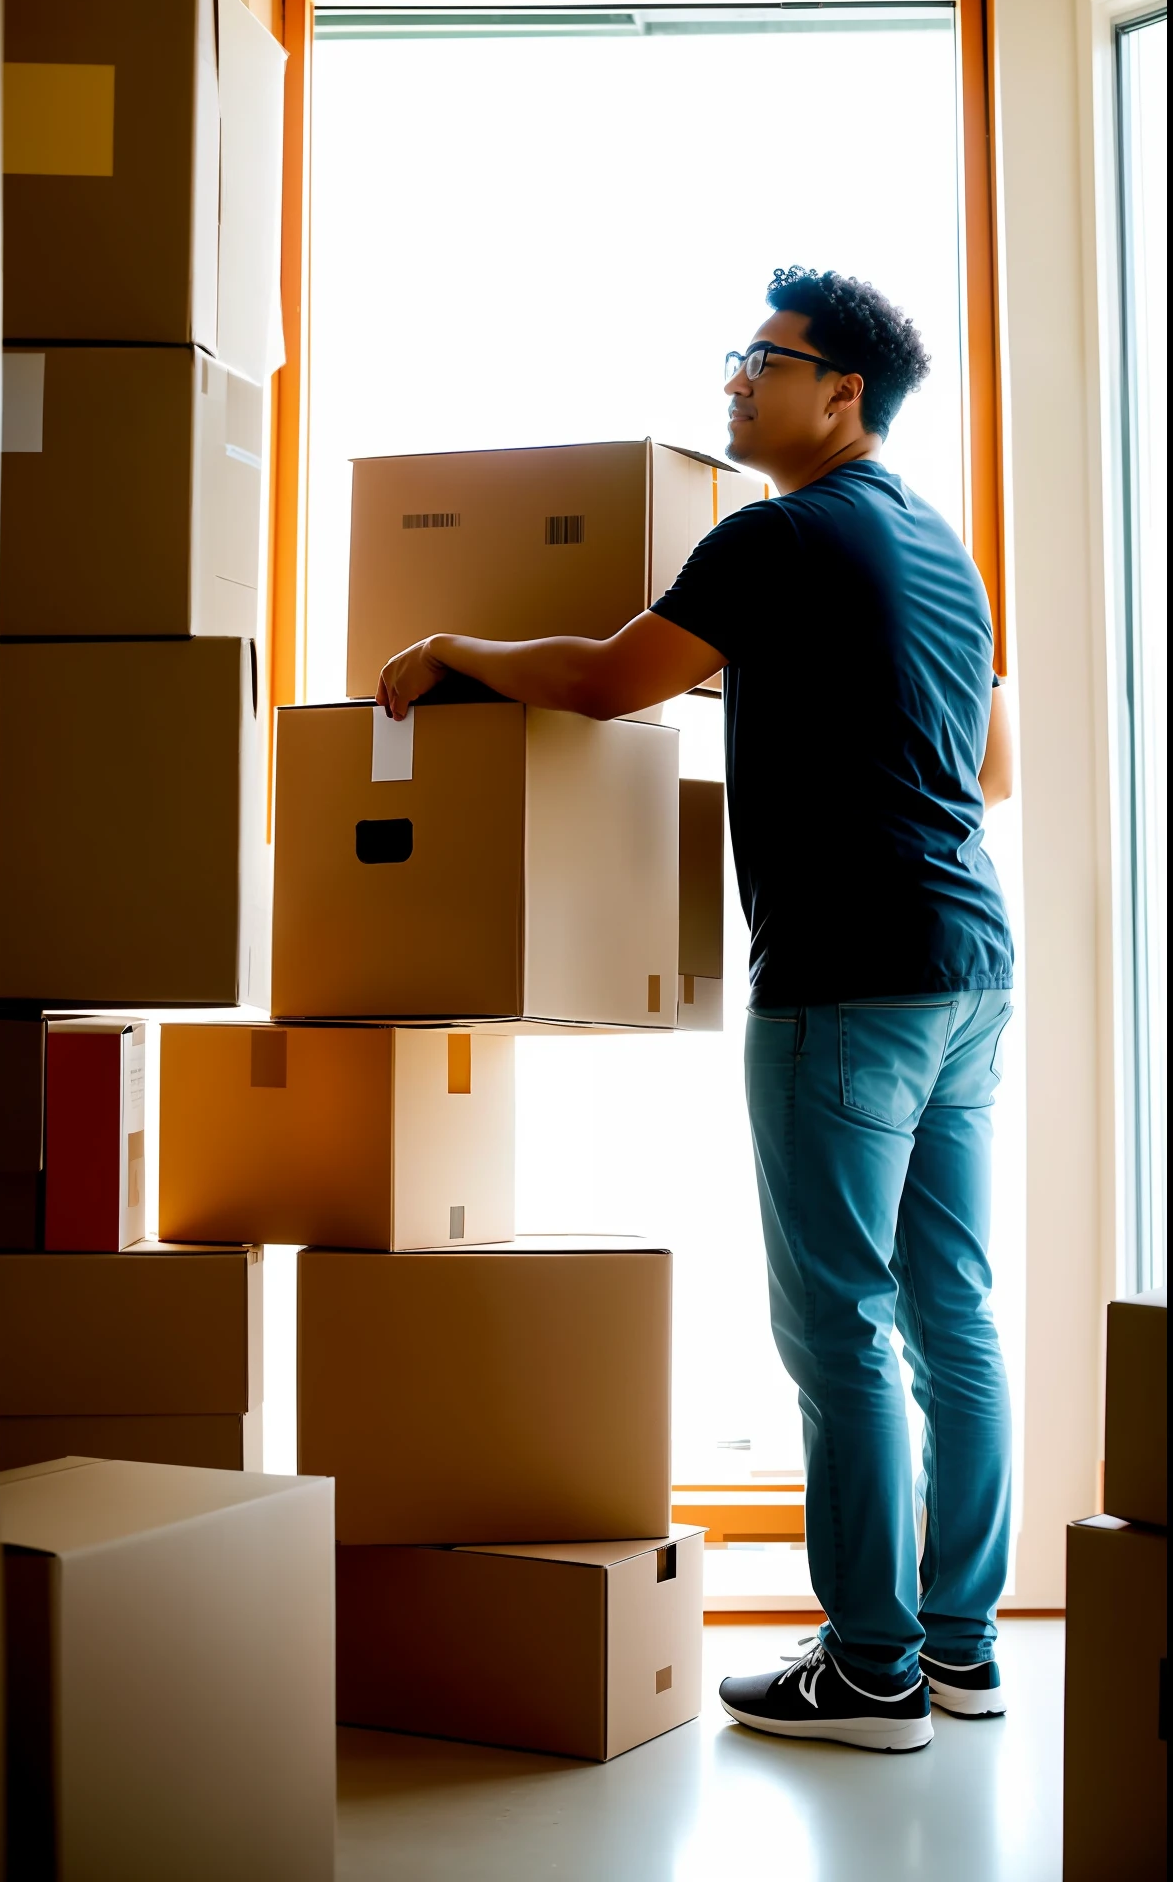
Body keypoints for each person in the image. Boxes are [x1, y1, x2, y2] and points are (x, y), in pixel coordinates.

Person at [378, 265, 1016, 1755]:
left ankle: (869, 1672)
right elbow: (988, 768)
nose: (735, 381)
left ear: (839, 392)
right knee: (950, 1315)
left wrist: (458, 649)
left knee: (839, 1325)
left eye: (763, 358)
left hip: (848, 976)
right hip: (968, 963)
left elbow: (609, 684)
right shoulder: (939, 548)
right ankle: (958, 1647)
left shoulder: (777, 536)